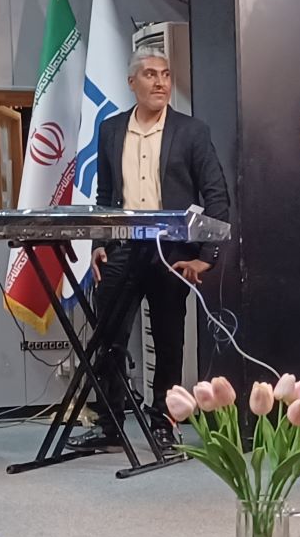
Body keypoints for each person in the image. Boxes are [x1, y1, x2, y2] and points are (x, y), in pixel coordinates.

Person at [91, 47, 232, 433]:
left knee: (169, 342)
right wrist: (98, 244)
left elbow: (216, 195)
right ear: (132, 82)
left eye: (166, 74)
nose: (160, 83)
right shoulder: (110, 129)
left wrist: (207, 255)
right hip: (122, 249)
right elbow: (104, 196)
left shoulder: (192, 132)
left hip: (170, 252)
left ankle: (163, 423)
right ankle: (109, 425)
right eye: (150, 74)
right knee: (108, 337)